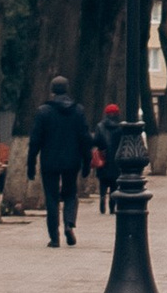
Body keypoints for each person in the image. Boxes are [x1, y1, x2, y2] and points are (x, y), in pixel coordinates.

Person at [27, 77, 91, 246]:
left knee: (51, 197)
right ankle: (69, 224)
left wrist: (31, 164)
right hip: (72, 161)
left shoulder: (44, 112)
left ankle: (54, 238)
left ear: (52, 90)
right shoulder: (78, 111)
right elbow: (85, 138)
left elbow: (35, 140)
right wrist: (87, 162)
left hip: (50, 162)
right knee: (70, 194)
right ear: (67, 89)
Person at [92, 103, 123, 210]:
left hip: (103, 157)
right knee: (114, 183)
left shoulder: (100, 126)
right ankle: (112, 204)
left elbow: (96, 141)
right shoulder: (120, 127)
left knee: (103, 181)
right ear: (117, 114)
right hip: (116, 159)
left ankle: (102, 197)